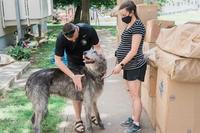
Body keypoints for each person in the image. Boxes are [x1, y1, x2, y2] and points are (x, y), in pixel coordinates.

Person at [54, 22, 102, 133]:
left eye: (74, 38)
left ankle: (91, 115)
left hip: (89, 63)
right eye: (69, 39)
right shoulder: (61, 38)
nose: (72, 41)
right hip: (73, 65)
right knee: (76, 92)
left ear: (76, 30)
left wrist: (100, 65)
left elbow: (98, 47)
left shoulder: (88, 30)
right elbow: (58, 61)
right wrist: (73, 76)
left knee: (91, 91)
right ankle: (78, 120)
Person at [113, 1, 147, 133]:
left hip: (135, 65)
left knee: (135, 96)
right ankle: (133, 117)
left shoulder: (138, 26)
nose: (122, 17)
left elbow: (133, 50)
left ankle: (136, 124)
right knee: (132, 95)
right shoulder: (129, 24)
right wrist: (119, 62)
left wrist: (121, 65)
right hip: (128, 65)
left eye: (123, 14)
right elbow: (124, 45)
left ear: (132, 12)